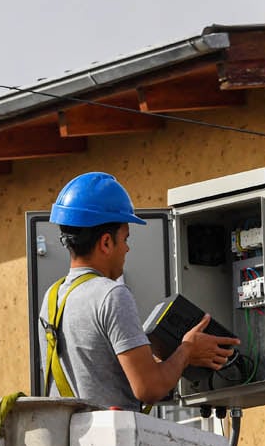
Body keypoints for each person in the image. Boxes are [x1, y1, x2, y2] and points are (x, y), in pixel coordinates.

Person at [38, 171, 239, 410]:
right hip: (114, 443)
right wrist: (187, 350)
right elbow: (149, 388)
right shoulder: (112, 295)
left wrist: (159, 360)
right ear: (105, 243)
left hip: (73, 443)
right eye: (125, 239)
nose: (127, 249)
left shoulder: (52, 297)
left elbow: (96, 374)